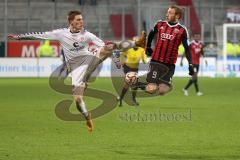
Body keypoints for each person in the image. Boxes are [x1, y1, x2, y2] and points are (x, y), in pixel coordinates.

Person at [8, 10, 116, 132]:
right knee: (78, 100)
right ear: (71, 22)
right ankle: (87, 116)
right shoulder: (61, 34)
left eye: (82, 19)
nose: (81, 22)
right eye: (78, 20)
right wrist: (19, 38)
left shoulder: (87, 34)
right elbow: (39, 35)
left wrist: (116, 52)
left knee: (108, 48)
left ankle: (136, 44)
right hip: (76, 70)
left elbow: (103, 45)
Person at [143, 5, 194, 95]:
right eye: (167, 12)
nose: (167, 14)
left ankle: (160, 82)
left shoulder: (182, 30)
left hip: (169, 65)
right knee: (150, 90)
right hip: (156, 62)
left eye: (170, 13)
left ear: (177, 16)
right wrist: (148, 47)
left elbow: (187, 48)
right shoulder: (160, 24)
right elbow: (151, 35)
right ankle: (138, 83)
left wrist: (190, 63)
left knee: (162, 91)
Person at [118, 35, 147, 107]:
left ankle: (132, 99)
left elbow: (144, 60)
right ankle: (121, 99)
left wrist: (145, 58)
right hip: (127, 67)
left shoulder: (142, 50)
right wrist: (122, 62)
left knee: (134, 84)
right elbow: (122, 55)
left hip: (135, 69)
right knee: (128, 83)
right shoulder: (128, 49)